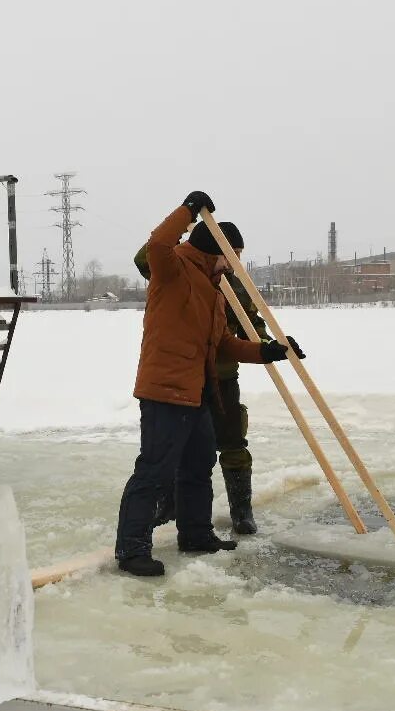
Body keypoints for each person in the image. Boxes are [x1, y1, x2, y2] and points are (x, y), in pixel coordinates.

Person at [114, 192, 303, 577]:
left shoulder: (215, 292)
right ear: (213, 250)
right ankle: (132, 550)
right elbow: (157, 244)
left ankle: (196, 533)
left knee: (199, 466)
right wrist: (187, 210)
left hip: (199, 392)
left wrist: (270, 351)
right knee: (154, 471)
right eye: (230, 257)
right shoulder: (173, 270)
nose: (233, 267)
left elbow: (223, 344)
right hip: (165, 391)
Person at [134, 232, 273, 535]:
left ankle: (241, 510)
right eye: (230, 251)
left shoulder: (238, 288)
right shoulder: (184, 274)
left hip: (223, 379)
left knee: (233, 441)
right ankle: (169, 505)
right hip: (187, 379)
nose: (235, 259)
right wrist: (185, 233)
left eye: (240, 252)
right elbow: (145, 259)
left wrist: (266, 346)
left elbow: (253, 326)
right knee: (181, 448)